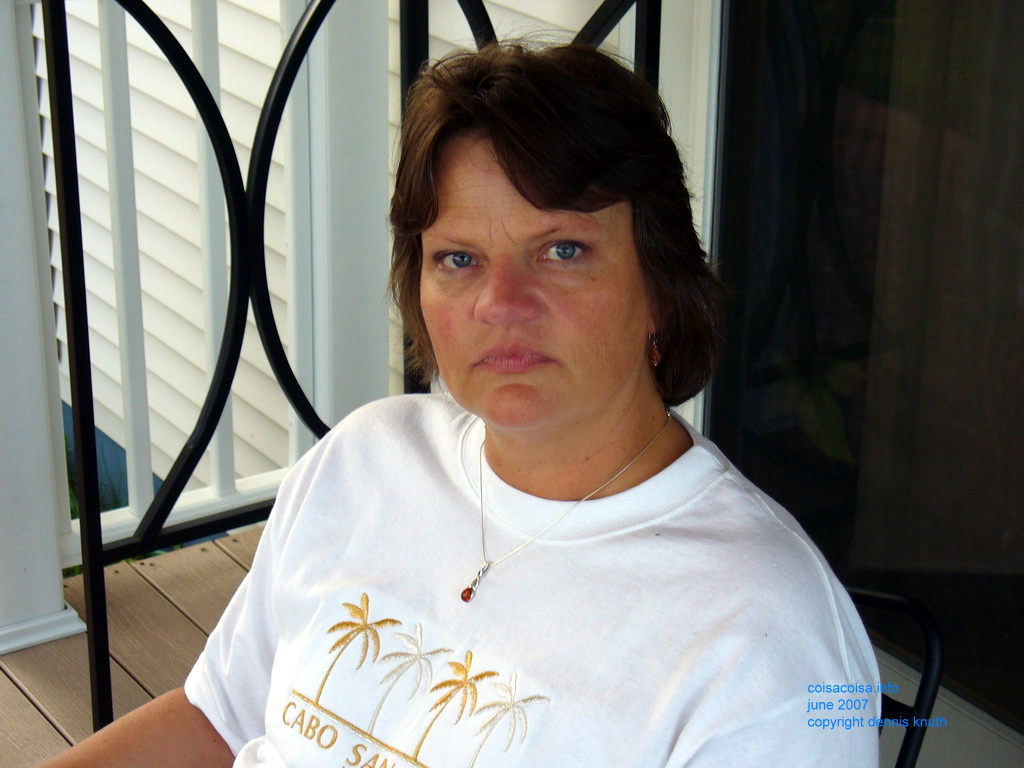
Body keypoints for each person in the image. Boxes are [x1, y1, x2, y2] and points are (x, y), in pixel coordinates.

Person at [39, 42, 879, 768]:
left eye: (562, 249)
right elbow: (217, 717)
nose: (501, 303)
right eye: (458, 259)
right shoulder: (365, 460)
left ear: (661, 285)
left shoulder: (762, 636)